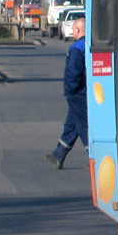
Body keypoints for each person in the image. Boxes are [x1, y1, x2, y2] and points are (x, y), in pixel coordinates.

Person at [45, 16, 87, 169]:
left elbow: (73, 72)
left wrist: (69, 90)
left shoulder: (76, 48)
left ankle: (94, 158)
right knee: (72, 124)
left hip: (78, 92)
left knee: (83, 125)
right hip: (87, 91)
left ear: (77, 30)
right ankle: (58, 155)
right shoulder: (89, 45)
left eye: (73, 28)